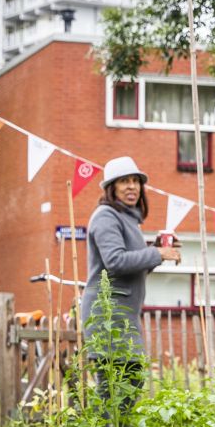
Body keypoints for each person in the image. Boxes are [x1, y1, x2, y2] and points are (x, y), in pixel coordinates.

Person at [80, 156, 180, 406]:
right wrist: (156, 253)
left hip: (124, 317)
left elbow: (132, 268)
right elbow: (115, 261)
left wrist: (156, 252)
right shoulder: (106, 216)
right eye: (124, 181)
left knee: (131, 383)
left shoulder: (128, 220)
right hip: (108, 317)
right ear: (111, 187)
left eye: (136, 181)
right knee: (112, 390)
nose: (132, 186)